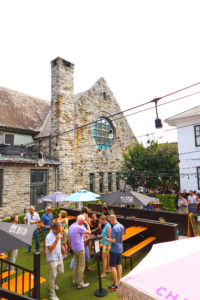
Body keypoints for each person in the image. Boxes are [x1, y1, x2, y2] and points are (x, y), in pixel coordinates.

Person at [68, 215, 91, 289]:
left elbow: (69, 238)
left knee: (76, 265)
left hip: (74, 248)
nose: (83, 223)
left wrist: (70, 247)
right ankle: (80, 284)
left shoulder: (71, 226)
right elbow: (89, 232)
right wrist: (87, 224)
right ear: (81, 221)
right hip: (80, 249)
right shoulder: (79, 227)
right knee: (81, 266)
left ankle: (74, 281)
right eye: (83, 221)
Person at [105, 214, 124, 291]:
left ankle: (116, 284)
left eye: (110, 221)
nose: (110, 223)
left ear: (112, 219)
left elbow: (113, 240)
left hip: (114, 249)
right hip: (120, 248)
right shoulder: (121, 226)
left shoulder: (114, 228)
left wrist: (107, 239)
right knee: (119, 264)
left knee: (113, 266)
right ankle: (120, 281)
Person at [46, 222, 64, 300]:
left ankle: (53, 284)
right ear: (55, 229)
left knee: (61, 272)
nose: (60, 230)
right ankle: (52, 295)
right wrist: (56, 240)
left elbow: (61, 241)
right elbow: (50, 249)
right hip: (52, 259)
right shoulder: (48, 236)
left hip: (59, 257)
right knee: (53, 276)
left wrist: (61, 236)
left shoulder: (58, 233)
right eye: (59, 229)